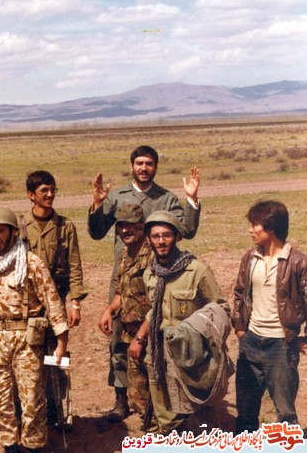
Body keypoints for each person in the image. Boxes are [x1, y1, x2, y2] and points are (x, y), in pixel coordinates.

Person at [87, 145, 201, 422]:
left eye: (149, 163)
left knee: (156, 337)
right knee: (119, 339)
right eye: (139, 163)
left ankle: (159, 401)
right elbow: (97, 233)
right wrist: (98, 204)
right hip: (124, 278)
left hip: (159, 278)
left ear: (155, 167)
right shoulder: (117, 196)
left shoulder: (166, 198)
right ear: (132, 166)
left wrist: (191, 200)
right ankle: (121, 399)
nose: (144, 168)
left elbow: (187, 230)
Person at [0, 207, 68, 453]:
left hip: (26, 340)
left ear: (12, 231)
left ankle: (33, 446)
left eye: (0, 231)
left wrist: (61, 344)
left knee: (32, 399)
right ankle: (9, 446)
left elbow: (52, 303)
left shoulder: (32, 263)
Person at [137, 210, 229, 433]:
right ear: (148, 240)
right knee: (166, 416)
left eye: (167, 235)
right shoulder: (150, 274)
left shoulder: (196, 270)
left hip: (191, 355)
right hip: (158, 353)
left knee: (202, 413)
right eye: (155, 236)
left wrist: (192, 332)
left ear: (177, 237)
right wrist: (140, 338)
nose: (161, 241)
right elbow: (154, 311)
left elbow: (221, 309)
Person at [232, 200, 307, 432]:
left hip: (281, 345)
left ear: (272, 228)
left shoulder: (300, 262)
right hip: (250, 342)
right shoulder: (249, 258)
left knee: (285, 412)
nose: (250, 230)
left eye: (255, 225)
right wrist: (240, 329)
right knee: (245, 411)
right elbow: (239, 294)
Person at [20, 170, 84, 428]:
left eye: (52, 190)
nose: (49, 195)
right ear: (31, 195)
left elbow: (75, 265)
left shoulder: (65, 226)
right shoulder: (19, 226)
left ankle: (57, 408)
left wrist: (75, 303)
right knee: (27, 357)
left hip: (56, 302)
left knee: (57, 356)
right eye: (44, 191)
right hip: (27, 305)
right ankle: (26, 411)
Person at [97, 204, 152, 425]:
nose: (125, 230)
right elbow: (121, 291)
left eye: (130, 225)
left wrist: (140, 337)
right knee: (140, 398)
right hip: (132, 335)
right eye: (121, 226)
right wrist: (109, 310)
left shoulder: (154, 255)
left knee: (159, 396)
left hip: (151, 336)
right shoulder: (124, 255)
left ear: (142, 225)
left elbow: (159, 304)